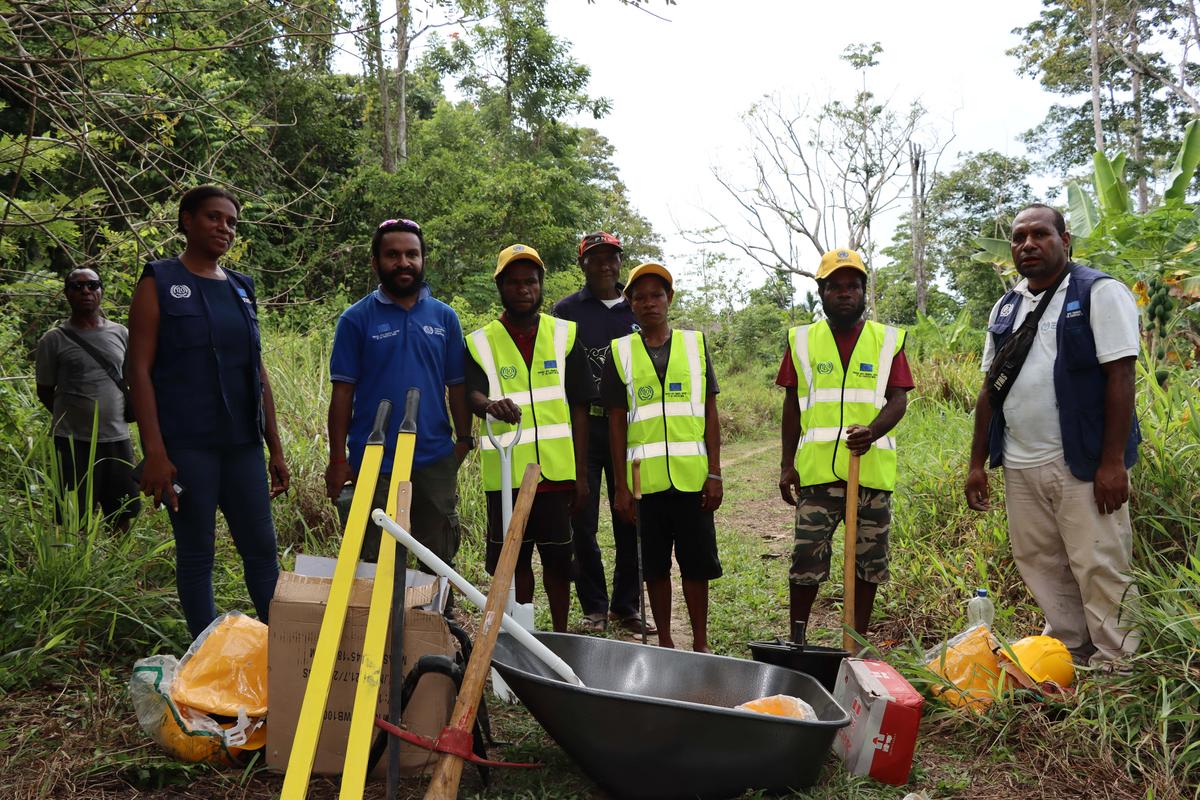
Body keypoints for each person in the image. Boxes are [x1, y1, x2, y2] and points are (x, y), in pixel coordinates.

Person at [965, 204, 1141, 666]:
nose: (1027, 244)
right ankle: (1069, 648)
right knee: (1039, 560)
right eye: (1019, 238)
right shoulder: (1007, 306)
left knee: (1098, 561)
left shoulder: (1099, 292)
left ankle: (1117, 661)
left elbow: (1121, 378)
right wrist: (976, 464)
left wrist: (1112, 462)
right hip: (1021, 462)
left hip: (1081, 460)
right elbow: (990, 388)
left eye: (1039, 234)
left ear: (1065, 241)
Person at [126, 185, 288, 639]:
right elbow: (138, 370)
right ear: (187, 220)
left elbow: (258, 373)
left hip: (242, 446)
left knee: (261, 551)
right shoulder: (158, 280)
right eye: (215, 218)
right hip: (187, 446)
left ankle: (283, 653)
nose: (225, 228)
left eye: (232, 222)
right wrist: (154, 452)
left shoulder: (241, 288)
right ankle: (204, 656)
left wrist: (274, 447)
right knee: (198, 554)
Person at [777, 248, 912, 639]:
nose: (845, 293)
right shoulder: (801, 340)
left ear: (864, 291)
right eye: (835, 286)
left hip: (871, 475)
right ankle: (797, 640)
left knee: (868, 562)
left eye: (853, 285)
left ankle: (856, 643)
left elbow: (899, 398)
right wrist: (787, 463)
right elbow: (791, 403)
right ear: (821, 292)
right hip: (817, 475)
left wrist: (874, 430)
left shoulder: (888, 340)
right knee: (806, 558)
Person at [326, 218, 472, 566]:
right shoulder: (355, 319)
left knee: (438, 558)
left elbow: (458, 385)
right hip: (374, 460)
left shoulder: (444, 317)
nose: (403, 262)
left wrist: (464, 441)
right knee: (375, 559)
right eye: (393, 255)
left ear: (423, 259)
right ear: (375, 262)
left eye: (412, 254)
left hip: (433, 459)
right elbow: (342, 395)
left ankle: (437, 619)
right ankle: (383, 622)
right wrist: (337, 460)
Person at [465, 244, 591, 633]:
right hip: (506, 476)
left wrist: (582, 475)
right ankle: (523, 637)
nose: (524, 289)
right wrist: (488, 405)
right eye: (515, 282)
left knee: (558, 563)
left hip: (554, 473)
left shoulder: (565, 335)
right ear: (500, 286)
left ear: (541, 286)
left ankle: (559, 636)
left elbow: (581, 407)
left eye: (531, 282)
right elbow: (469, 392)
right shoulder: (480, 342)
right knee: (514, 562)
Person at [606, 262, 723, 652]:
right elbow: (616, 423)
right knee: (654, 567)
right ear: (630, 304)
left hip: (692, 478)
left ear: (669, 299)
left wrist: (716, 474)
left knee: (696, 565)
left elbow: (709, 413)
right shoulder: (619, 352)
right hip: (645, 482)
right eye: (640, 297)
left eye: (657, 295)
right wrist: (621, 487)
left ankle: (702, 643)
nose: (649, 303)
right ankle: (668, 643)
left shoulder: (695, 345)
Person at [551, 231, 650, 635]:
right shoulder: (566, 310)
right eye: (595, 259)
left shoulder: (638, 306)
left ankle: (626, 606)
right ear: (583, 264)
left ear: (619, 262)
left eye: (611, 258)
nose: (604, 265)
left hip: (629, 426)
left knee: (630, 516)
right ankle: (593, 606)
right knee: (582, 518)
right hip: (583, 426)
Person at [36, 267, 142, 531]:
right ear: (67, 294)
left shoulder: (121, 334)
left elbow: (133, 380)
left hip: (117, 438)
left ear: (101, 292)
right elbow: (45, 390)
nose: (86, 291)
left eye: (92, 285)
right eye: (77, 286)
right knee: (74, 514)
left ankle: (119, 564)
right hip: (72, 443)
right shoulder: (53, 340)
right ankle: (76, 565)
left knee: (122, 510)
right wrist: (73, 418)